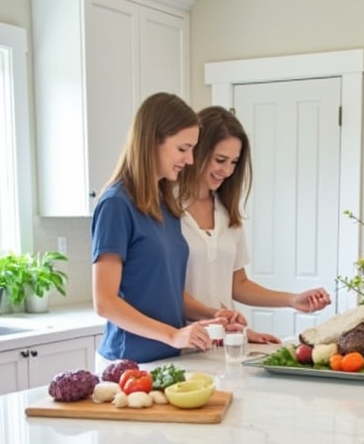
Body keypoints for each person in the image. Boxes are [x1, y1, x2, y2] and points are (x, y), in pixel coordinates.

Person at [177, 106, 332, 344]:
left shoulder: (227, 212)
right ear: (195, 151)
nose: (227, 171)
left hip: (221, 346)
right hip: (179, 346)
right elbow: (164, 292)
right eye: (220, 160)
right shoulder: (168, 208)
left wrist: (292, 300)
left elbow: (238, 284)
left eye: (234, 162)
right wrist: (220, 320)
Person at [91, 92, 221, 364]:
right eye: (182, 148)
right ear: (152, 142)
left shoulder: (166, 205)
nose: (190, 160)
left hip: (168, 359)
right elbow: (104, 301)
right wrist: (173, 335)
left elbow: (166, 288)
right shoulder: (116, 204)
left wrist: (210, 314)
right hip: (127, 364)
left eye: (192, 150)